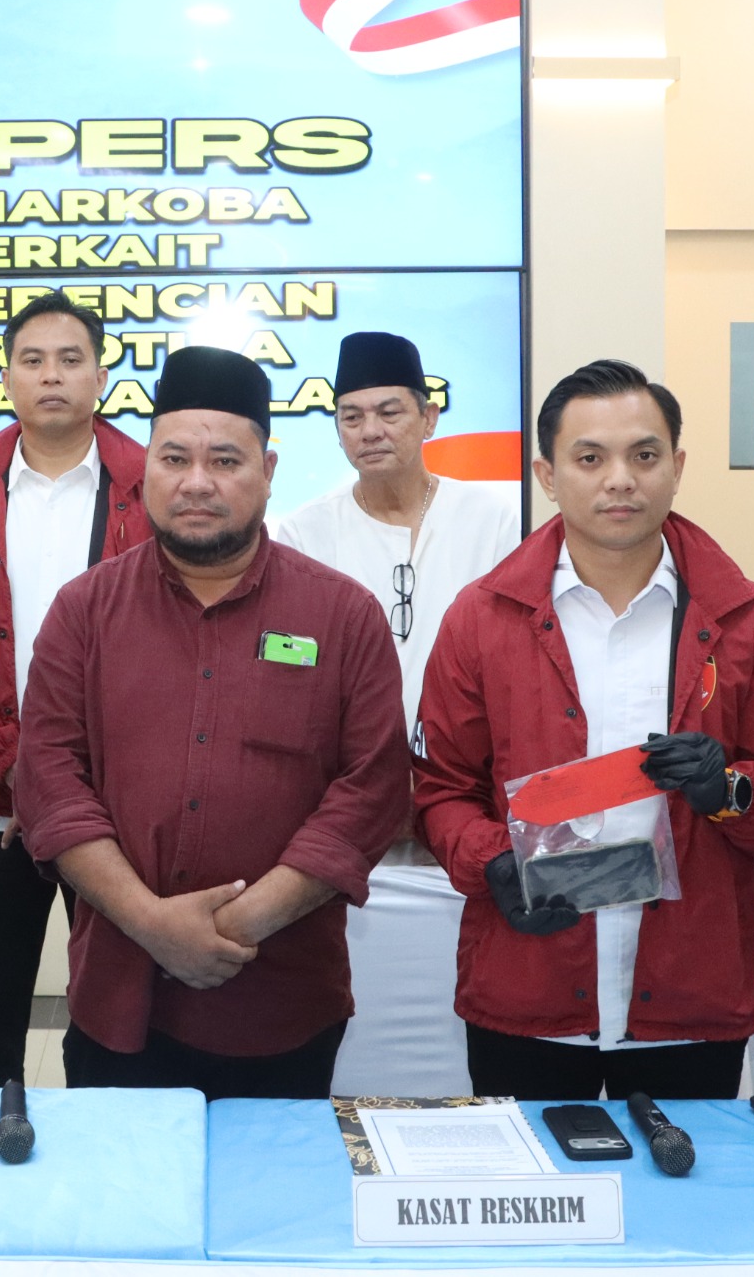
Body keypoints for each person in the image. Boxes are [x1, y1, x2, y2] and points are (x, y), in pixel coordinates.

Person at [415, 360, 754, 1100]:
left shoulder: (747, 619)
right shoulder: (480, 620)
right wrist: (494, 861)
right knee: (535, 1175)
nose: (620, 480)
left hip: (690, 997)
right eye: (590, 458)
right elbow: (440, 789)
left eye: (644, 455)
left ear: (677, 468)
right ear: (547, 475)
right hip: (530, 988)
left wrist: (728, 790)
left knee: (687, 1175)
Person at [15, 344, 411, 1099]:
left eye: (225, 461)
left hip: (282, 997)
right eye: (175, 459)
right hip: (119, 998)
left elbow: (372, 791)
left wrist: (239, 925)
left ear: (268, 470)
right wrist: (151, 922)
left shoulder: (343, 614)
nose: (197, 482)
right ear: (146, 469)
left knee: (276, 1178)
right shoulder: (85, 610)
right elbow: (50, 781)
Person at [271, 330, 521, 1095]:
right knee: (361, 1025)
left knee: (468, 1020)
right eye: (351, 417)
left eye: (389, 412)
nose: (370, 431)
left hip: (470, 810)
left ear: (428, 416)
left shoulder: (497, 521)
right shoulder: (302, 533)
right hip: (351, 814)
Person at [0, 290, 148, 1087]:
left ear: (101, 376)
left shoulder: (151, 486)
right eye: (32, 360)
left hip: (117, 805)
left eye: (69, 359)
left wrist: (63, 778)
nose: (51, 375)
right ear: (7, 377)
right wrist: (19, 768)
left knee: (115, 1024)